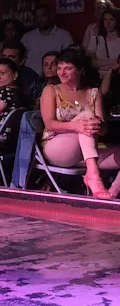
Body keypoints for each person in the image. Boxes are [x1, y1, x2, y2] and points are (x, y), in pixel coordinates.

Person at [40, 48, 120, 199]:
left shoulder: (93, 93)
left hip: (88, 153)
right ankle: (94, 176)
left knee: (90, 118)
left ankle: (111, 194)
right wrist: (76, 125)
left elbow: (103, 131)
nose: (61, 72)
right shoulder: (51, 90)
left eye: (68, 68)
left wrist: (98, 124)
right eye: (59, 68)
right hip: (58, 147)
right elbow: (50, 124)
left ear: (80, 70)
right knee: (87, 115)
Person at [21, 4, 72, 69]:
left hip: (55, 76)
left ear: (51, 16)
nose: (40, 20)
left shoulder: (64, 35)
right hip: (30, 77)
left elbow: (70, 59)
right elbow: (20, 58)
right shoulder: (28, 36)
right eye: (37, 16)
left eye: (43, 16)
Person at [86, 7, 120, 78]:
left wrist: (101, 63)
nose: (108, 23)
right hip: (99, 79)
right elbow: (91, 63)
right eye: (105, 20)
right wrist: (114, 63)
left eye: (111, 20)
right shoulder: (95, 40)